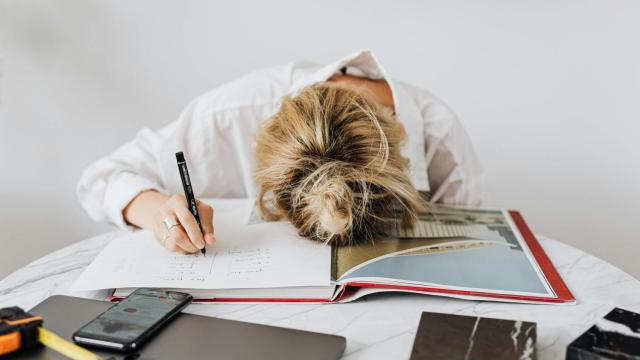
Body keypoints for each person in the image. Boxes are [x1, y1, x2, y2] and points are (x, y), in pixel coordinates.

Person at [77, 50, 484, 254]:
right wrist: (158, 210)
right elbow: (101, 178)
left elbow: (468, 247)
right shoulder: (229, 115)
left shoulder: (440, 135)